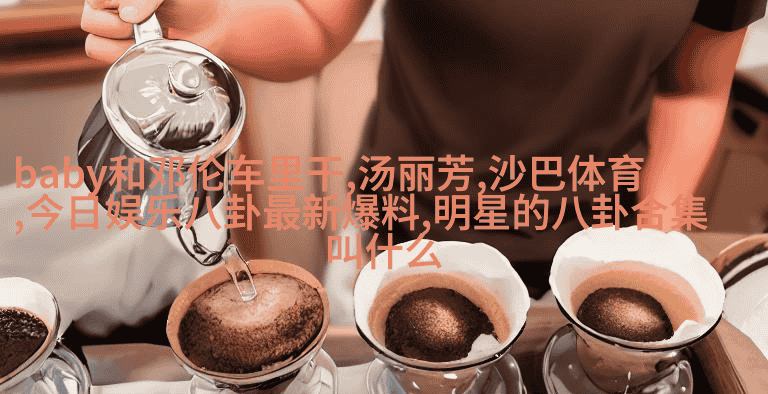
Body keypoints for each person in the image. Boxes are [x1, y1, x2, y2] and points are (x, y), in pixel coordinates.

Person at [81, 0, 766, 303]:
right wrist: (204, 20)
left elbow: (693, 88)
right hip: (407, 231)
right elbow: (314, 23)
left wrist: (651, 240)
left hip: (597, 240)